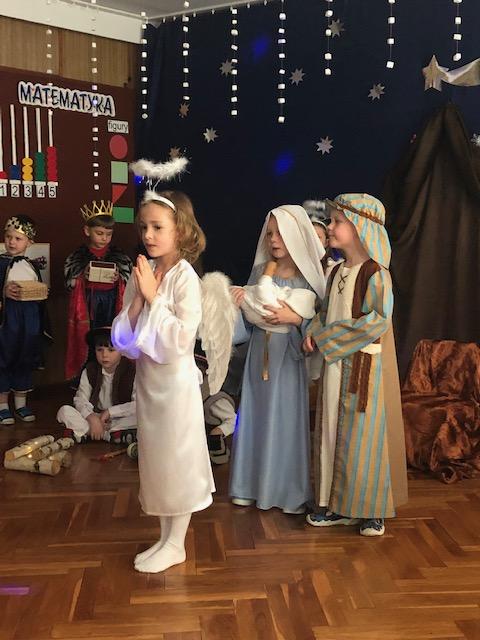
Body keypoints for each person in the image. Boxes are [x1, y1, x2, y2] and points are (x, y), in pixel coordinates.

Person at [111, 189, 215, 573]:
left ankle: (176, 543)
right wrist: (139, 301)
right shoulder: (144, 271)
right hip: (149, 385)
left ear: (180, 230)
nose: (148, 235)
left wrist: (155, 299)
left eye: (158, 227)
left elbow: (181, 340)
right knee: (156, 463)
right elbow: (123, 341)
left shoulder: (186, 278)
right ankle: (165, 538)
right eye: (144, 227)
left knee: (177, 461)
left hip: (175, 387)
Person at [303, 193, 408, 536]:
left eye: (337, 221)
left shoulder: (376, 274)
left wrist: (327, 339)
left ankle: (371, 509)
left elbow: (377, 319)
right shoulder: (336, 272)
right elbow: (324, 313)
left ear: (361, 227)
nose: (330, 227)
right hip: (334, 368)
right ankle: (336, 504)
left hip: (362, 372)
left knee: (364, 439)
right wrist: (313, 331)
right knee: (331, 434)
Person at [229, 205, 326, 514]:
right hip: (260, 353)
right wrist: (238, 306)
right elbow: (249, 318)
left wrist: (296, 319)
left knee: (283, 419)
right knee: (254, 416)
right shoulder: (261, 272)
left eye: (280, 234)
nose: (273, 240)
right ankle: (248, 485)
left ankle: (286, 491)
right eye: (270, 233)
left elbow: (319, 324)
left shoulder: (308, 279)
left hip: (288, 357)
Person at [64, 200, 132, 380]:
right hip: (89, 304)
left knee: (110, 336)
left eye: (108, 234)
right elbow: (69, 280)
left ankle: (111, 377)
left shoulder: (119, 256)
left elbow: (129, 278)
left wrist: (119, 278)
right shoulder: (78, 256)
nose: (104, 238)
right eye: (99, 233)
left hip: (111, 302)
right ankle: (88, 378)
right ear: (87, 231)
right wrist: (82, 276)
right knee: (90, 339)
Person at [0, 216, 50, 424]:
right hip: (7, 318)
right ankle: (3, 405)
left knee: (25, 356)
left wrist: (41, 293)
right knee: (4, 356)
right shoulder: (0, 263)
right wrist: (3, 292)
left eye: (18, 239)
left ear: (29, 242)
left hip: (29, 319)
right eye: (8, 237)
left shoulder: (31, 266)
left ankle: (21, 404)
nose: (12, 242)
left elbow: (39, 291)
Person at [57, 327, 136, 443]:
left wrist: (110, 412)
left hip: (118, 417)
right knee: (64, 411)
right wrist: (91, 417)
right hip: (95, 417)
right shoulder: (90, 370)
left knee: (143, 416)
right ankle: (110, 435)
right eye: (100, 350)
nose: (104, 355)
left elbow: (137, 404)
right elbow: (80, 399)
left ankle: (88, 433)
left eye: (111, 350)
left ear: (122, 351)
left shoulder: (132, 371)